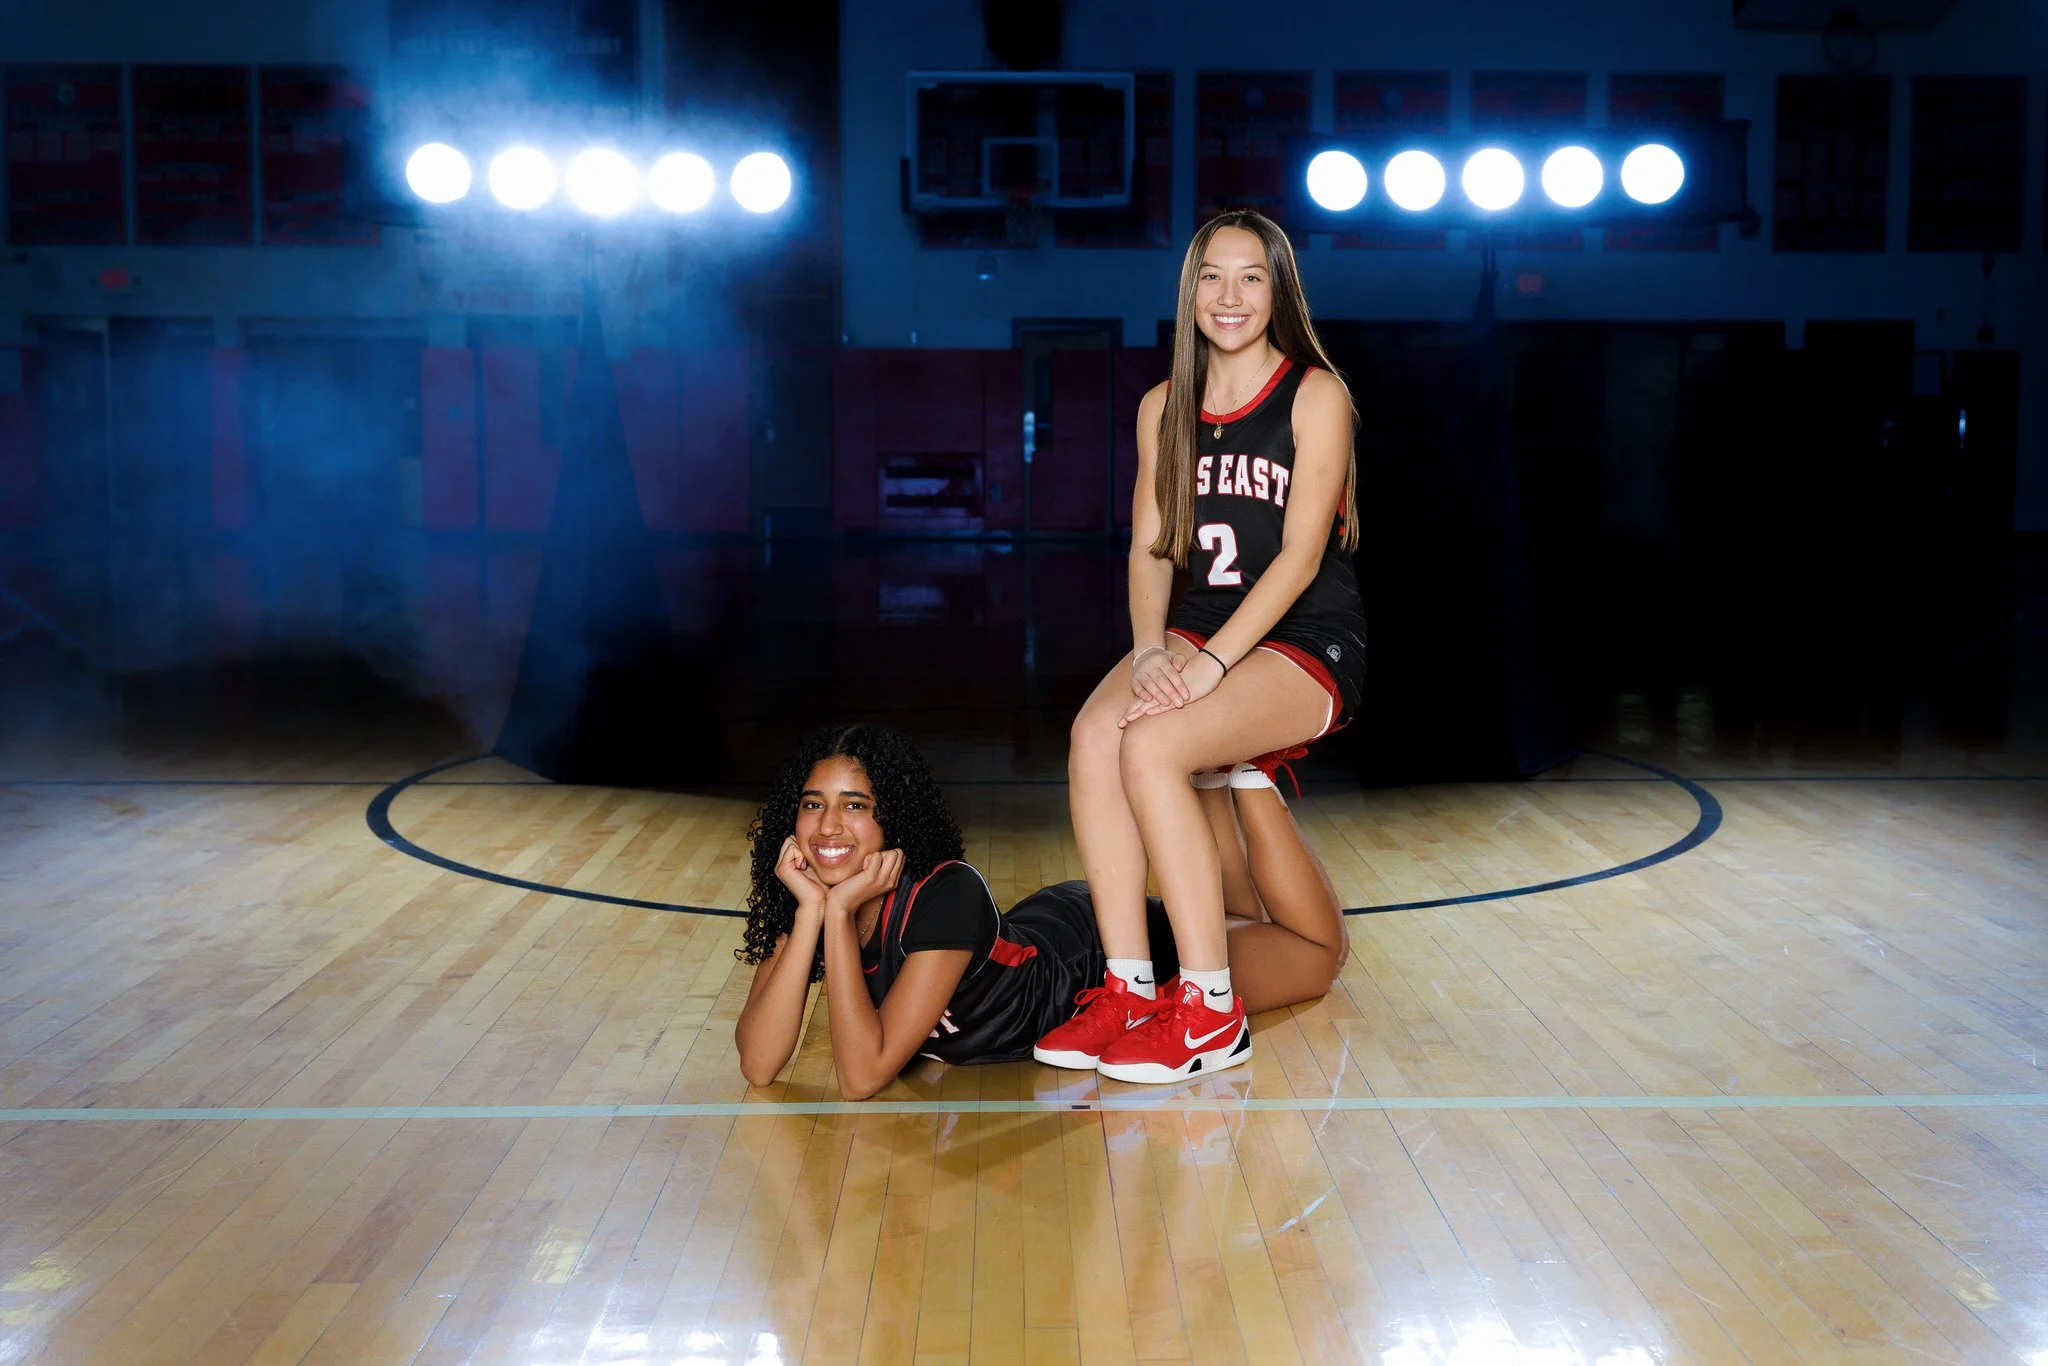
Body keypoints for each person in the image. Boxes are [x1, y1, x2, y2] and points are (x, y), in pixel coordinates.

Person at [1042, 209, 1368, 1083]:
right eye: (1213, 277)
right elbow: (1153, 545)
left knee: (1151, 744)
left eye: (1251, 276)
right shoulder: (1163, 407)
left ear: (1278, 290)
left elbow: (1302, 558)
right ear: (1190, 293)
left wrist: (1209, 665)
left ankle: (1211, 1012)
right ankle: (1129, 986)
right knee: (1092, 735)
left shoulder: (1316, 394)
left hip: (1306, 639)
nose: (1230, 295)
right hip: (1196, 627)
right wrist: (1151, 650)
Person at [732, 723, 1345, 1099]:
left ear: (891, 819)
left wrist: (835, 918)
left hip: (1096, 963)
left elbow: (861, 1076)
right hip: (1050, 929)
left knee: (1314, 957)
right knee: (1233, 916)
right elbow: (759, 1064)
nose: (829, 825)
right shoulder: (812, 901)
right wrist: (812, 912)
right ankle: (1212, 775)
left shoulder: (945, 895)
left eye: (855, 805)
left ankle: (1254, 771)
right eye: (813, 805)